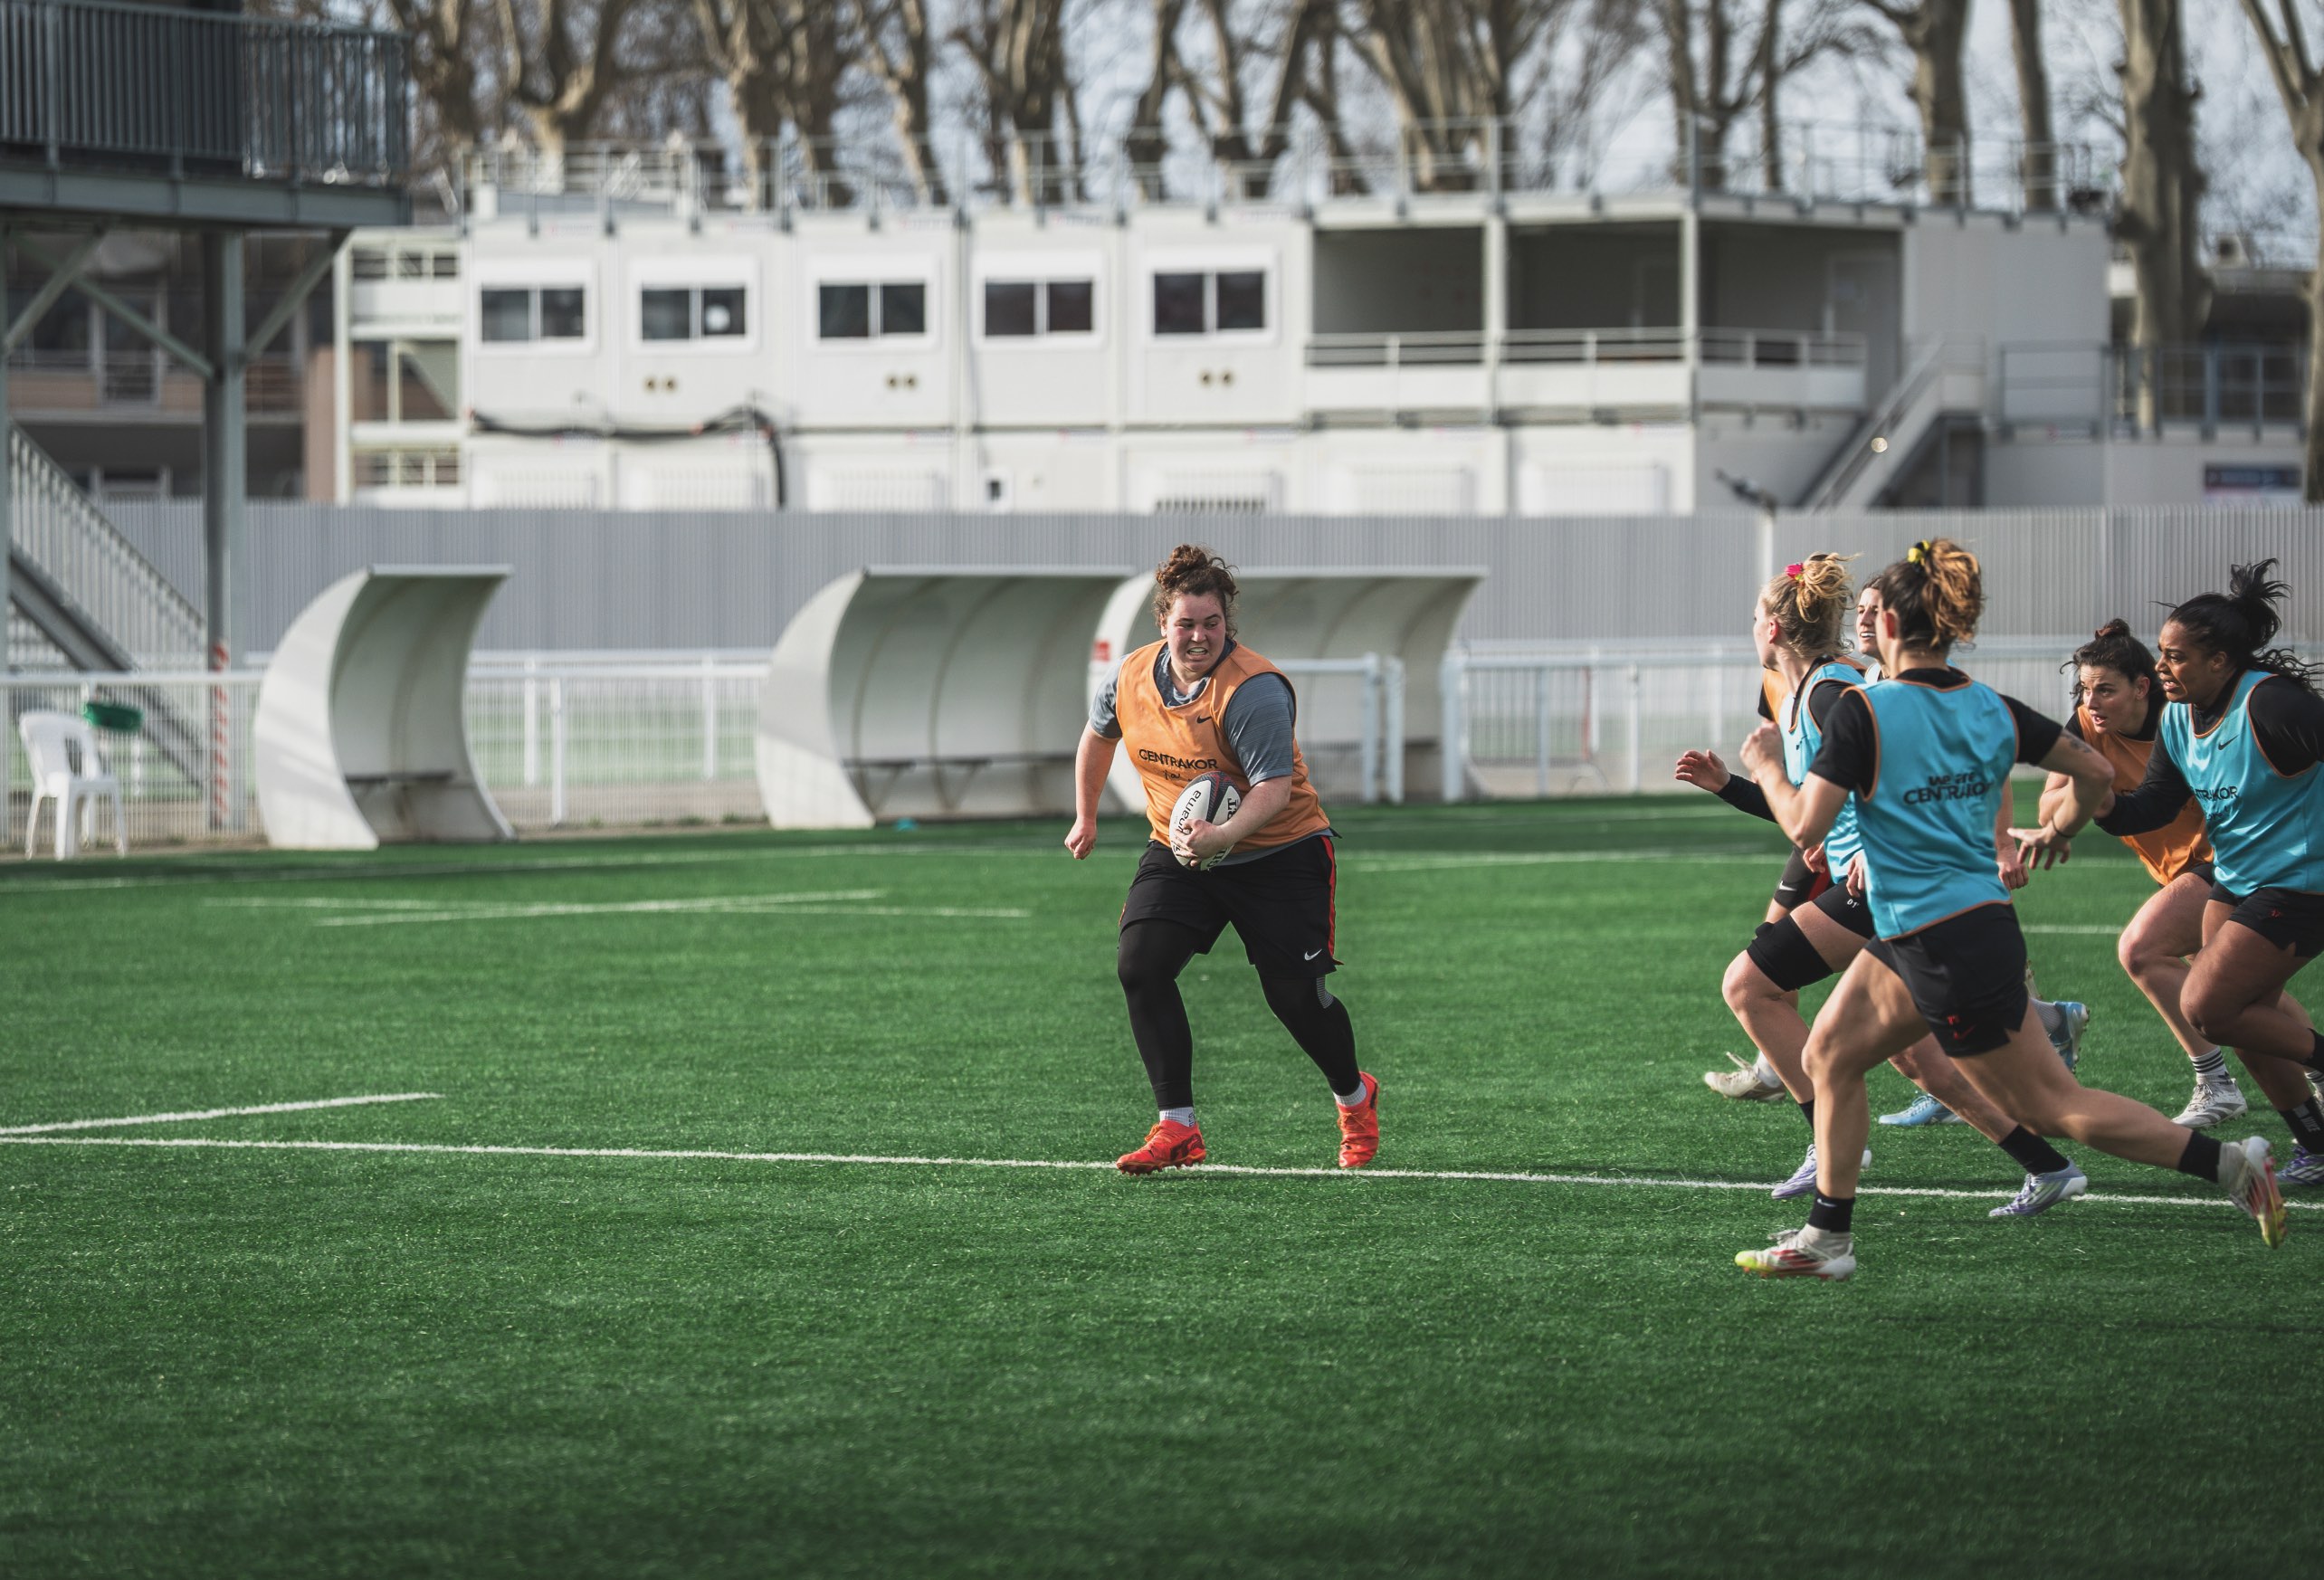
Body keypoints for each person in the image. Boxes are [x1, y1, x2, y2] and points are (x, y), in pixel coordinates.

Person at [1736, 540, 2285, 1280]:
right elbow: (2094, 770)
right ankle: (1827, 1240)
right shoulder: (1986, 702)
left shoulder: (1865, 709)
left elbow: (1807, 826)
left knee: (2056, 1106)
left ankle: (2232, 1165)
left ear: (1889, 627)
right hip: (1931, 927)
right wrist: (2060, 829)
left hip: (1944, 938)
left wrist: (1767, 768)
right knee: (1828, 1056)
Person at [1678, 557, 2090, 1216]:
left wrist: (1879, 844)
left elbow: (1900, 768)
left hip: (1883, 884)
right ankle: (2046, 1164)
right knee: (1920, 1062)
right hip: (1875, 884)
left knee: (1749, 985)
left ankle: (1828, 1148)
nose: (1751, 626)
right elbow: (1807, 812)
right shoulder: (1802, 691)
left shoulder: (1831, 693)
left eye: (1755, 616)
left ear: (1774, 628)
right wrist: (1730, 786)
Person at [1066, 545, 1378, 1174]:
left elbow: (1273, 789)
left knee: (1293, 998)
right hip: (1182, 848)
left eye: (1212, 623)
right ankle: (1177, 1127)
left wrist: (1224, 835)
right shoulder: (1130, 676)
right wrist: (1087, 815)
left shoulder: (1253, 691)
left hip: (1278, 851)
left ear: (1226, 623)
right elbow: (1098, 737)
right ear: (1163, 622)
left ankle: (1354, 1097)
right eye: (1186, 623)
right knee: (1141, 965)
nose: (1199, 636)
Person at [2027, 565, 2324, 1186]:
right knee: (2243, 1021)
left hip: (2301, 885)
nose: (2162, 667)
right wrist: (2099, 800)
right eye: (2162, 654)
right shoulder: (2178, 720)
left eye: (2176, 656)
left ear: (2220, 661)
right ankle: (2317, 1146)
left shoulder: (2270, 702)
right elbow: (2151, 808)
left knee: (2208, 1006)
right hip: (2237, 881)